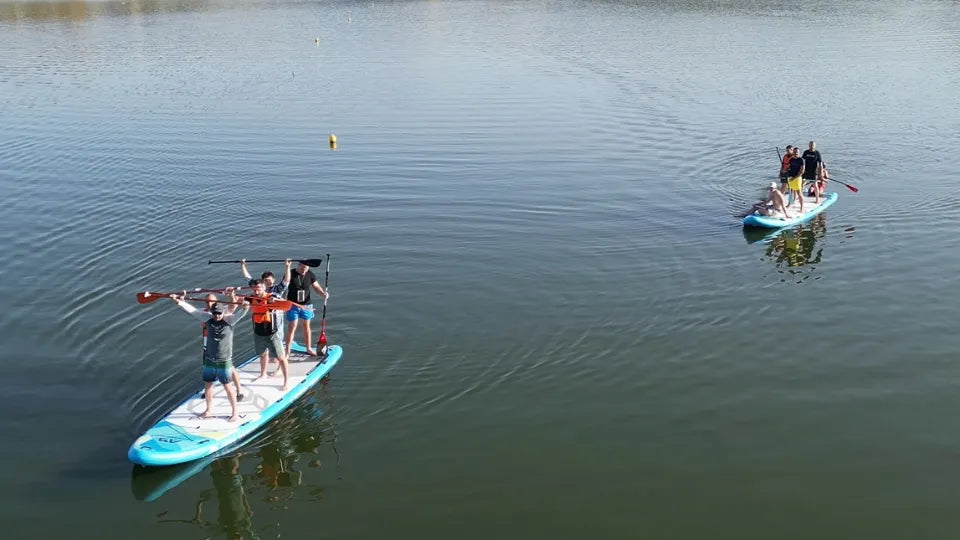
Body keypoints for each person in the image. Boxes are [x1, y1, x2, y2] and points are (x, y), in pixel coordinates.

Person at [172, 288, 249, 422]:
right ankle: (209, 410)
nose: (217, 316)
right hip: (209, 359)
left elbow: (241, 314)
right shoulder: (207, 318)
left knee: (227, 386)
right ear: (211, 312)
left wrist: (245, 307)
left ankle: (235, 413)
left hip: (224, 360)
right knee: (208, 385)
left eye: (219, 313)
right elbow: (192, 311)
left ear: (223, 312)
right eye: (215, 313)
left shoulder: (229, 320)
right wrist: (179, 302)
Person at [197, 292, 245, 401]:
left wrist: (232, 295)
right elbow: (191, 311)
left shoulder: (222, 311)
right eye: (207, 302)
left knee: (231, 368)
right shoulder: (203, 312)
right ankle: (208, 390)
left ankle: (239, 391)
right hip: (207, 346)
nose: (209, 304)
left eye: (212, 302)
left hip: (221, 348)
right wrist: (179, 301)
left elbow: (232, 306)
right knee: (208, 368)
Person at [249, 280, 290, 390]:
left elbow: (285, 304)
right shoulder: (251, 298)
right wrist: (231, 295)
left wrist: (275, 301)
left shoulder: (271, 296)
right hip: (258, 333)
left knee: (281, 357)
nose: (256, 292)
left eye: (258, 289)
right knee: (263, 354)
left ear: (264, 287)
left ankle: (286, 382)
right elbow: (237, 301)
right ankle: (263, 374)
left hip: (272, 334)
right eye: (254, 289)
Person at [284, 261, 329, 356]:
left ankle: (308, 348)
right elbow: (284, 285)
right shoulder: (291, 273)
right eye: (302, 268)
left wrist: (323, 294)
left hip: (306, 305)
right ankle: (287, 351)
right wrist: (287, 266)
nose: (303, 270)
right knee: (292, 326)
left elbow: (316, 287)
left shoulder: (310, 274)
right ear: (298, 265)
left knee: (306, 326)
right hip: (293, 304)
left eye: (306, 268)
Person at [785, 146, 806, 213]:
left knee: (799, 193)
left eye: (797, 152)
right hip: (790, 177)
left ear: (799, 153)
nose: (795, 153)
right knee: (790, 191)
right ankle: (789, 203)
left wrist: (794, 178)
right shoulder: (791, 159)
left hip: (797, 178)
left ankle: (801, 208)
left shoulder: (801, 160)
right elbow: (789, 167)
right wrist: (786, 170)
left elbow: (802, 171)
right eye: (794, 152)